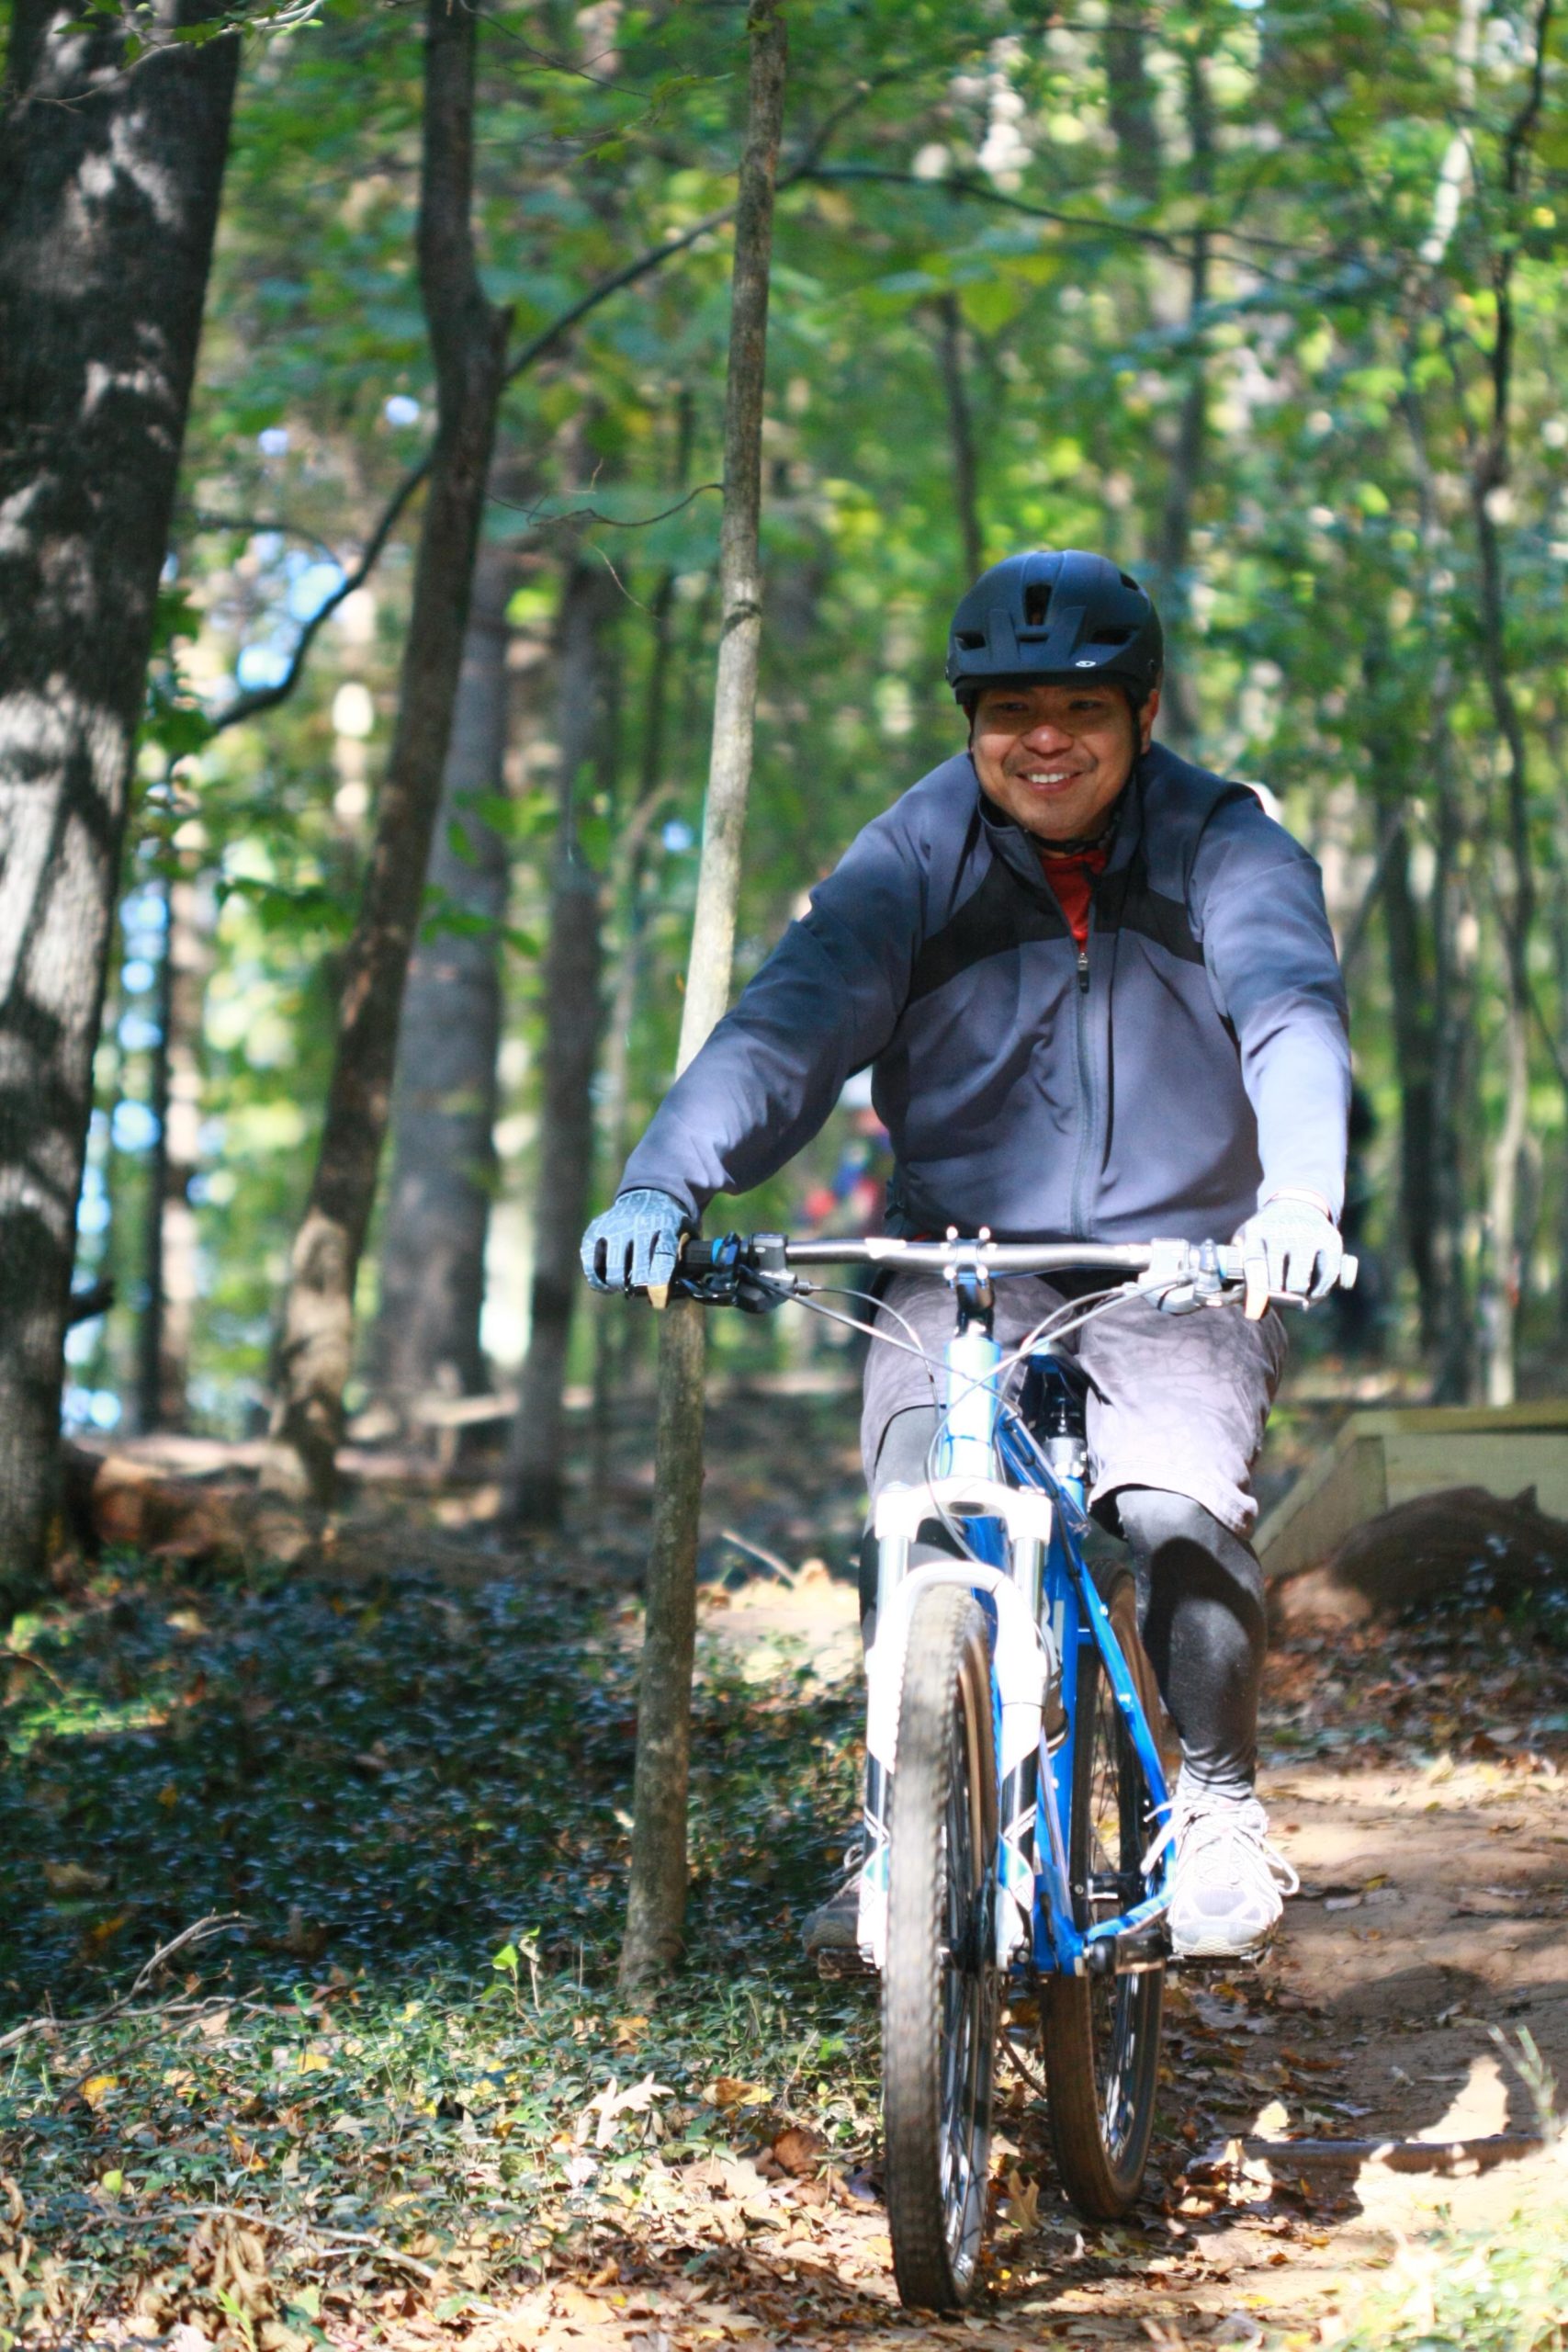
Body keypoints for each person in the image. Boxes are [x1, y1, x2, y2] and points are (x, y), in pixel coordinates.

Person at [581, 548, 1350, 1962]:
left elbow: (1291, 1013)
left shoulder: (1228, 844)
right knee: (919, 1515)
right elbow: (787, 1026)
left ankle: (1223, 1802)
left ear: (1144, 710)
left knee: (1177, 1511)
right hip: (962, 1259)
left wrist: (1297, 1199)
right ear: (970, 720)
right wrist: (661, 1181)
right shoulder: (914, 854)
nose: (1041, 738)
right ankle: (903, 1827)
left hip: (1180, 1263)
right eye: (1007, 710)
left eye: (1079, 707)